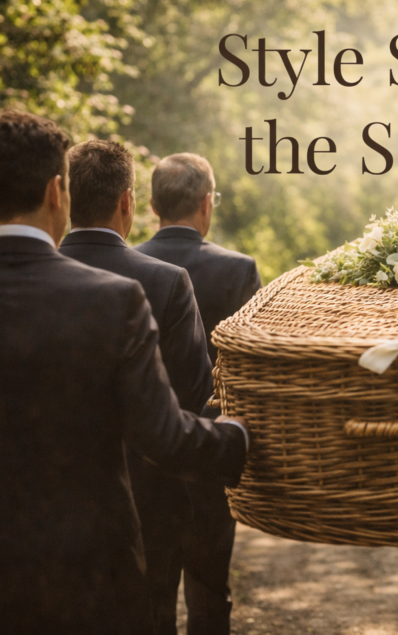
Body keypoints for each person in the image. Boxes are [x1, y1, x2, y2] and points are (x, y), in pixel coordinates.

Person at [0, 111, 250, 635]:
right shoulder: (114, 301)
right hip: (91, 590)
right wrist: (237, 437)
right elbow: (165, 436)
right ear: (56, 191)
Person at [59, 140, 212, 635]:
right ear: (127, 202)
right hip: (148, 500)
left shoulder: (31, 277)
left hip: (48, 504)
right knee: (151, 617)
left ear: (62, 197)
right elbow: (193, 398)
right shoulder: (167, 282)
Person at [136, 152, 261, 635]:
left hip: (142, 456)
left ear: (152, 206)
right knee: (210, 591)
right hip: (209, 452)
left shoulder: (126, 267)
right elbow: (249, 370)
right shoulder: (238, 270)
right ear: (207, 203)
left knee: (152, 596)